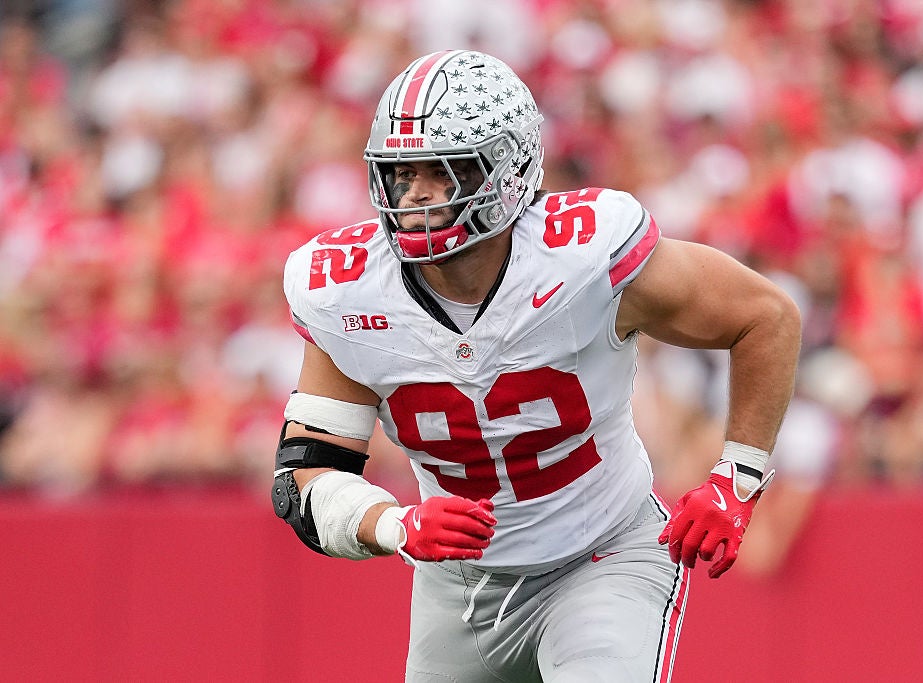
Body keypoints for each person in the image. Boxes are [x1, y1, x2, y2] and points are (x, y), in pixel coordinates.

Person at [272, 49, 801, 682]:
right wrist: (394, 524)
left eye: (444, 172)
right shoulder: (349, 293)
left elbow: (766, 317)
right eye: (403, 174)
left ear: (506, 166)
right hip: (459, 587)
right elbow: (302, 479)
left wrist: (736, 478)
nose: (417, 196)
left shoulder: (582, 259)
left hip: (602, 553)